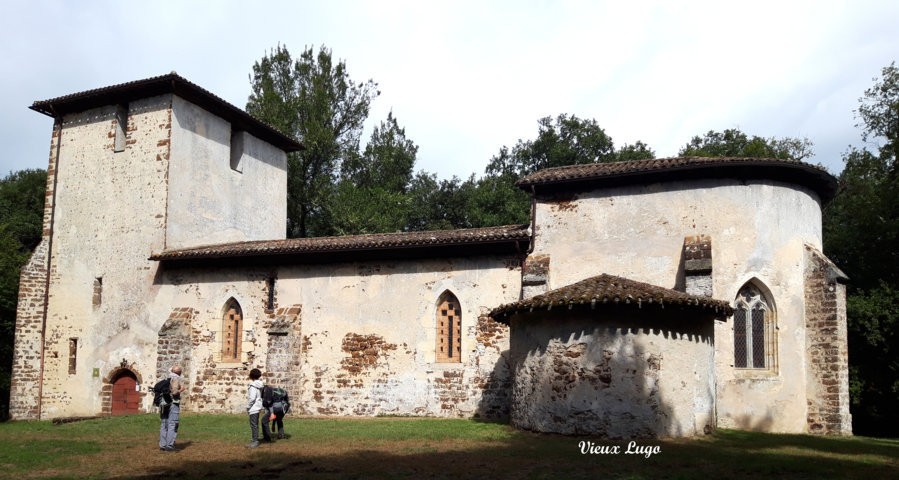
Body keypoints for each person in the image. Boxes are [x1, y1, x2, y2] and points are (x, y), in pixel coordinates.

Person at [158, 365, 186, 452]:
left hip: (163, 403)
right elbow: (174, 392)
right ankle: (169, 446)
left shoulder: (165, 377)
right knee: (172, 424)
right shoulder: (176, 378)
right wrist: (181, 389)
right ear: (179, 372)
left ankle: (162, 445)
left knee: (164, 424)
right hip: (173, 403)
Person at [246, 368, 272, 448]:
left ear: (251, 376)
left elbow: (252, 398)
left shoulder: (253, 385)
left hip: (253, 407)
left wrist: (248, 407)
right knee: (255, 424)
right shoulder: (260, 384)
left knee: (253, 424)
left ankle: (255, 441)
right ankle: (255, 439)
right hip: (258, 405)